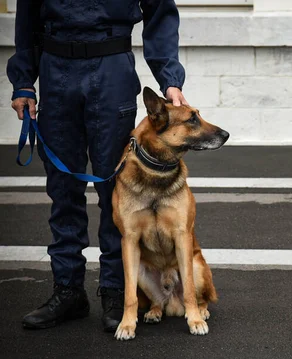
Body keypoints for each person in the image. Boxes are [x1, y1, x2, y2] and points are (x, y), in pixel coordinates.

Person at [8, 1, 188, 332]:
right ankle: (68, 289)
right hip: (55, 68)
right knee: (63, 191)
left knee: (116, 192)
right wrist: (23, 81)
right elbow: (27, 17)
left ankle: (116, 292)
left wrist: (169, 79)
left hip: (110, 68)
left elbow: (160, 12)